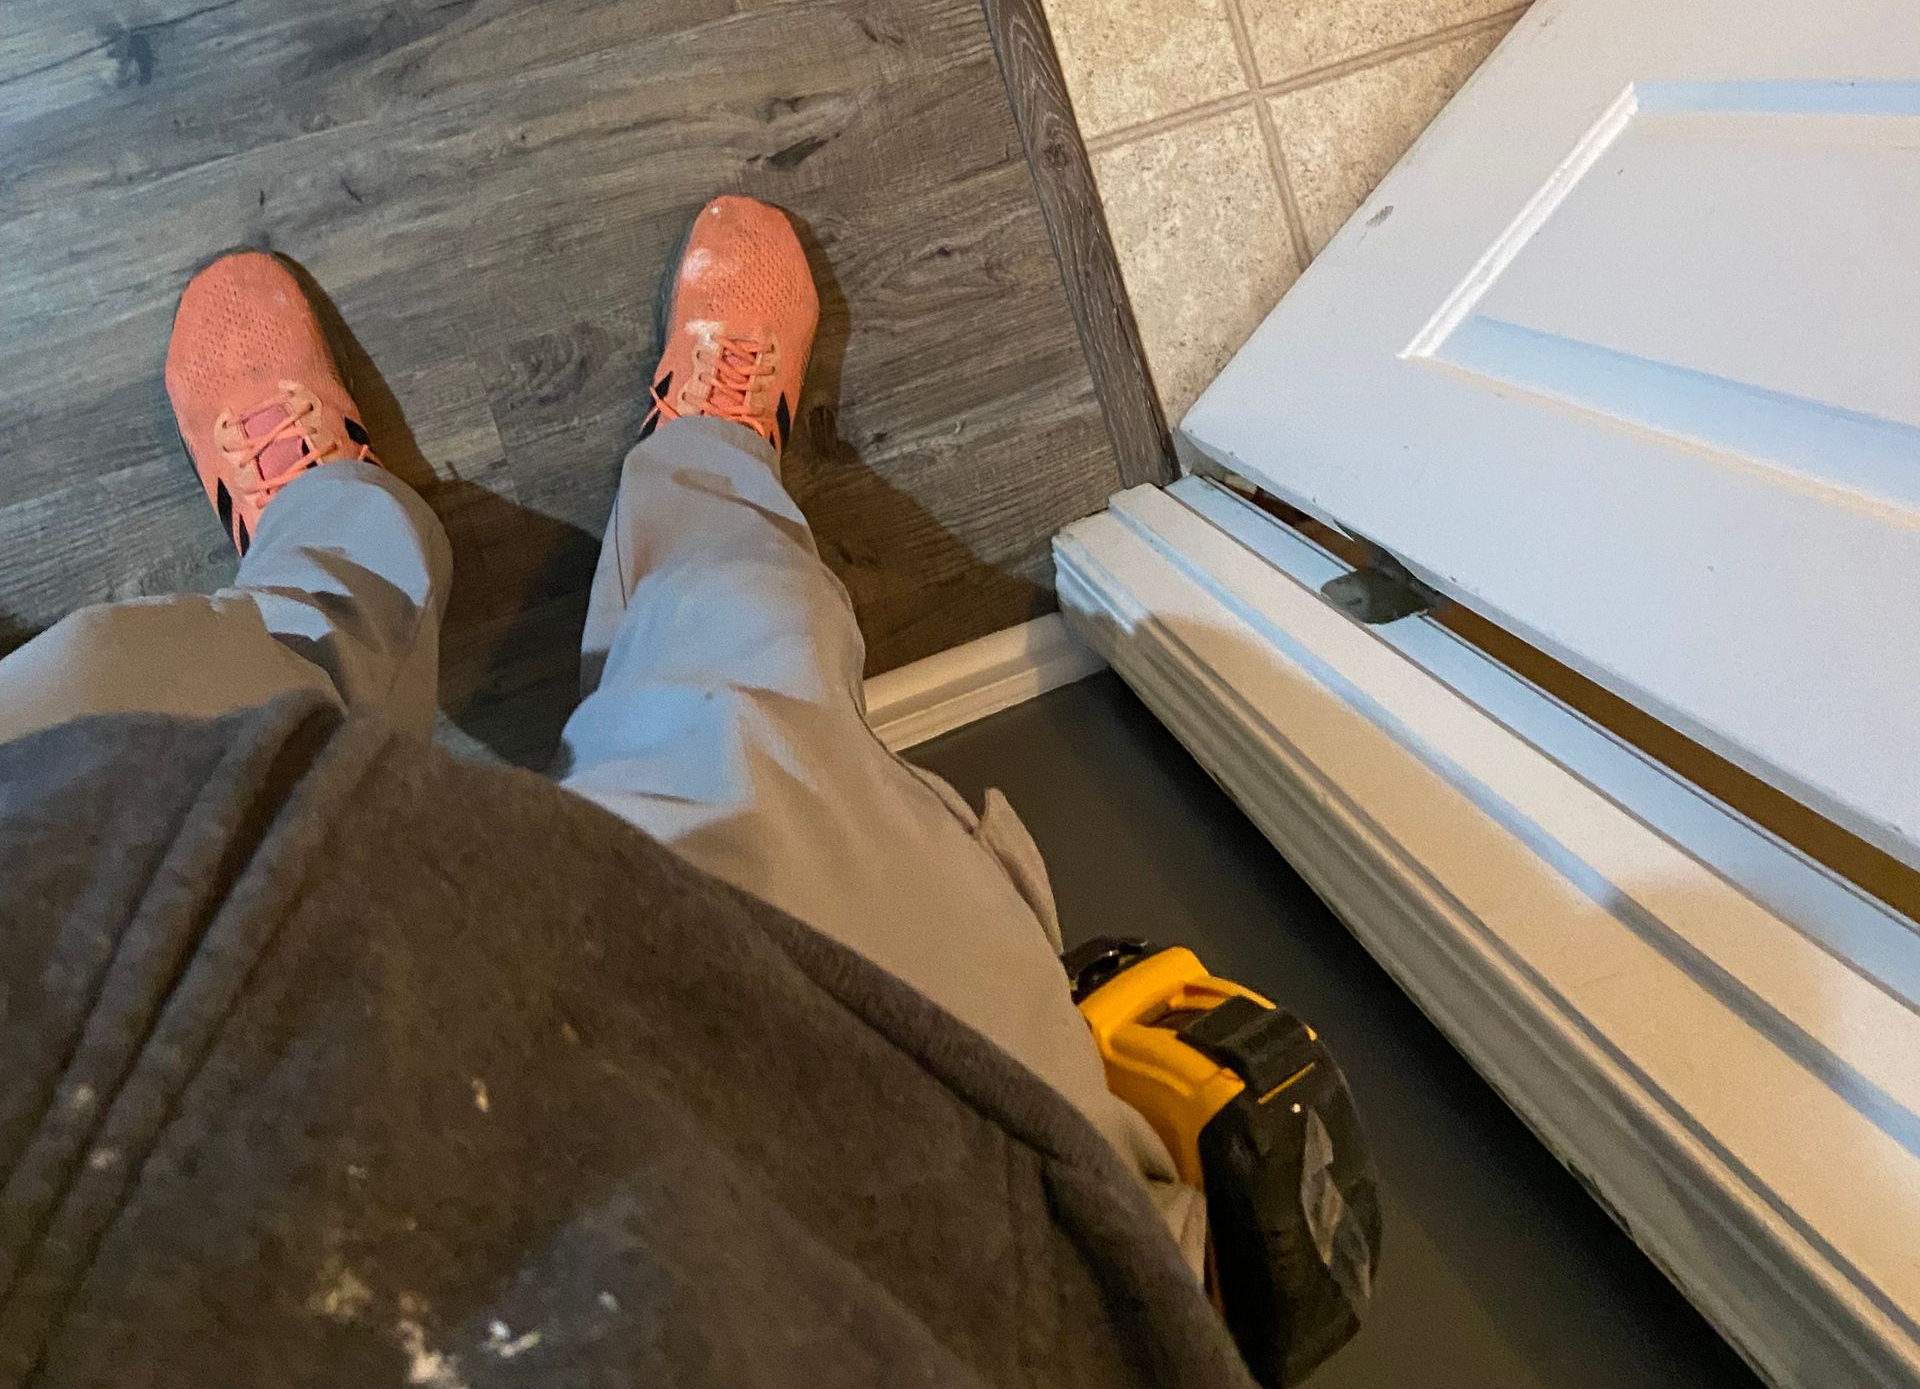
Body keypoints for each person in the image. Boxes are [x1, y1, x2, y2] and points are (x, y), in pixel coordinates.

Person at [0, 199, 1247, 1387]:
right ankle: (705, 459)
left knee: (164, 697)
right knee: (749, 676)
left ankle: (326, 528)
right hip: (927, 1222)